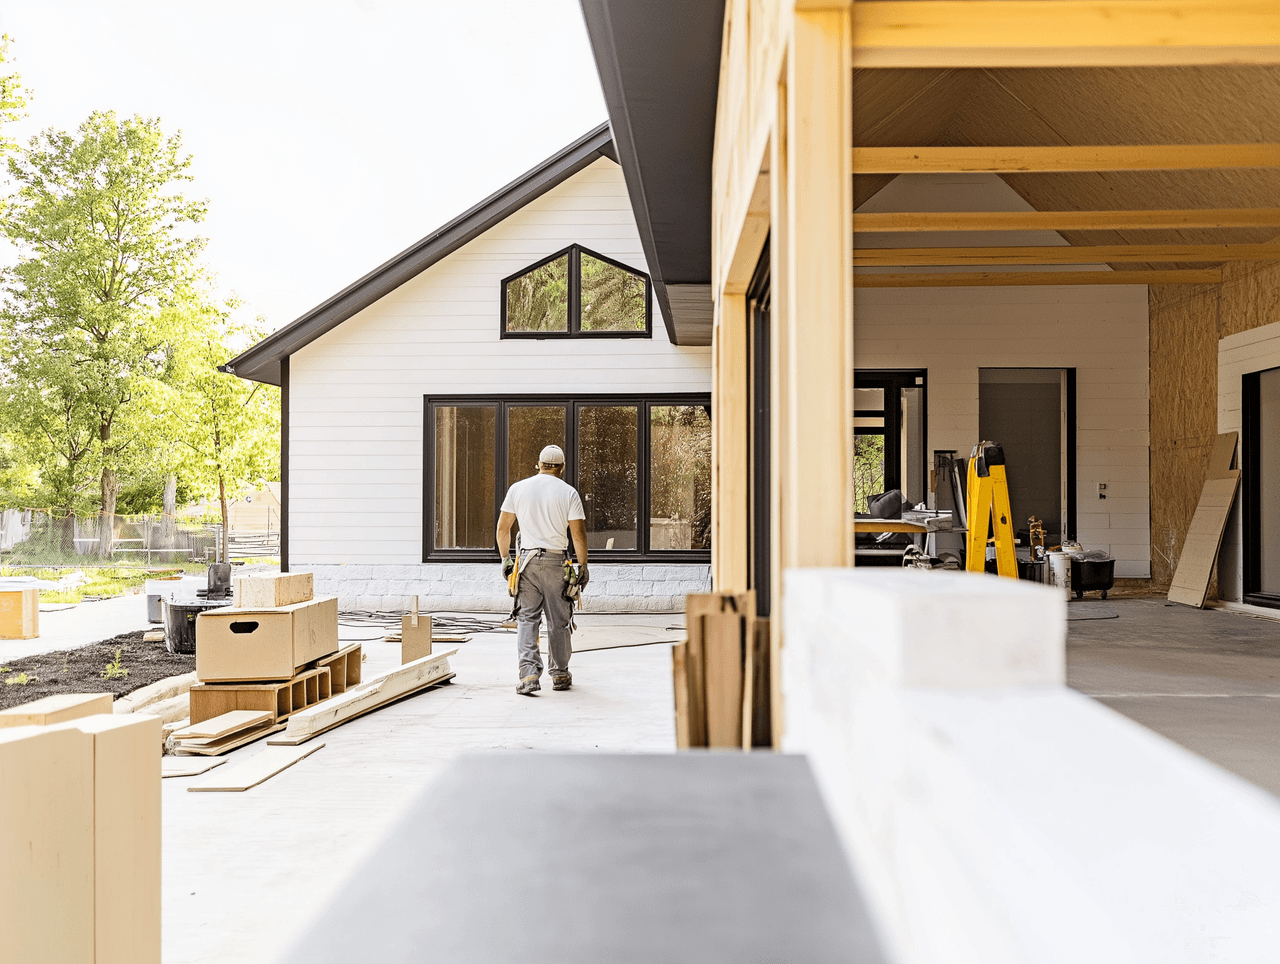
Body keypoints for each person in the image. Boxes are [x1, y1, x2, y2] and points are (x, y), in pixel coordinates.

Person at [495, 444, 589, 696]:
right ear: (562, 468)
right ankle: (559, 673)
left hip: (525, 563)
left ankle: (528, 676)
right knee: (559, 620)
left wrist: (506, 559)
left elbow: (503, 528)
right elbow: (578, 534)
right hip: (556, 563)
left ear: (538, 464)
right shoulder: (568, 493)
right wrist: (583, 566)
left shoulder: (518, 488)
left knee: (527, 618)